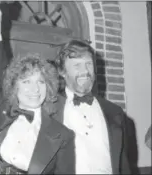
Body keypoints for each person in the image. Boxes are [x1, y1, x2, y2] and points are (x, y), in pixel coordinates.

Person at [0, 2, 75, 174]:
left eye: (40, 82)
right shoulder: (3, 110)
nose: (34, 89)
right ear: (14, 86)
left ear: (48, 86)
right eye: (26, 81)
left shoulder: (62, 135)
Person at [54, 40, 131, 174]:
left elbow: (123, 166)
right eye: (77, 65)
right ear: (62, 71)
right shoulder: (50, 111)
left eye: (88, 64)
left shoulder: (115, 112)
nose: (85, 71)